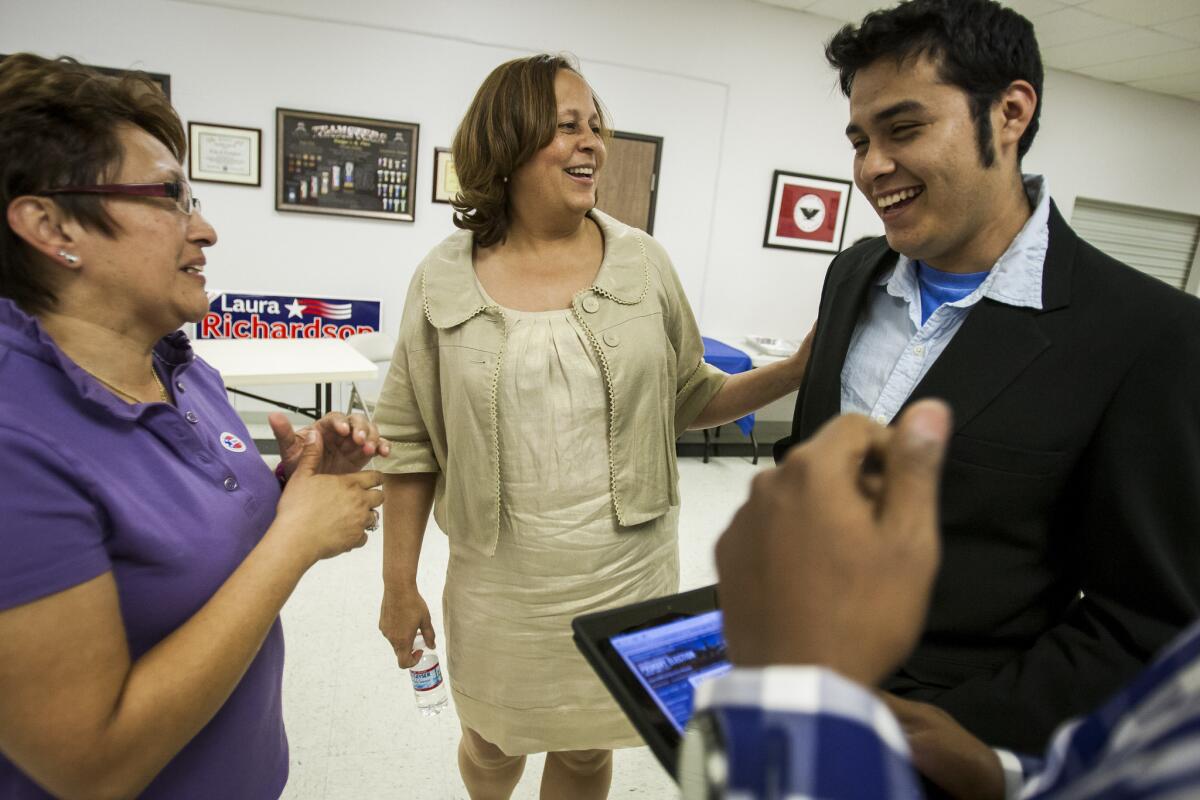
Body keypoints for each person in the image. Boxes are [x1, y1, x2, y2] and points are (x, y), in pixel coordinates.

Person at [373, 53, 809, 799]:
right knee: (491, 739)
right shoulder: (441, 278)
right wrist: (397, 583)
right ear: (508, 142)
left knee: (584, 746)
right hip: (501, 580)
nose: (593, 144)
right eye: (568, 126)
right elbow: (410, 442)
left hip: (622, 571)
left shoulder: (643, 264)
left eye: (598, 127)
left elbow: (690, 396)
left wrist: (797, 369)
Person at [775, 0, 1200, 753]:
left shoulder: (1147, 335)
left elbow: (1143, 625)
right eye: (860, 139)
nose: (873, 167)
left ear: (1008, 113)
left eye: (904, 130)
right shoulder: (852, 275)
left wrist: (953, 738)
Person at [0, 54, 387, 799]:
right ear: (50, 226)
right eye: (169, 197)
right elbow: (92, 766)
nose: (204, 228)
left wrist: (295, 486)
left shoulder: (177, 363)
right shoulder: (17, 439)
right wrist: (296, 536)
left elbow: (192, 537)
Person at [687, 400, 1200, 799]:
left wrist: (791, 691)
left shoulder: (1152, 326)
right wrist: (998, 777)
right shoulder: (850, 277)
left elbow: (1137, 612)